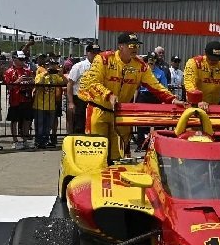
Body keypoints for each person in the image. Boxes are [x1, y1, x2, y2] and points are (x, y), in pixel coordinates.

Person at [78, 32, 185, 161]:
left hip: (121, 113)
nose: (135, 48)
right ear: (121, 46)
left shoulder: (140, 66)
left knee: (119, 155)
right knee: (96, 154)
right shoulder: (104, 59)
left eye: (136, 45)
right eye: (131, 45)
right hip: (98, 110)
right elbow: (93, 82)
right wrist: (108, 95)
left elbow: (155, 85)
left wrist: (172, 99)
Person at [184, 40, 220, 110]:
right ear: (205, 53)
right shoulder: (194, 63)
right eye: (211, 58)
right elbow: (189, 83)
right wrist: (197, 101)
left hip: (215, 105)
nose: (214, 61)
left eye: (217, 59)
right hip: (195, 104)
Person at [4, 51, 36, 148]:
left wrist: (31, 81)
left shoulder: (27, 71)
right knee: (14, 120)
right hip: (15, 99)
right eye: (21, 59)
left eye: (24, 59)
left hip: (26, 99)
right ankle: (15, 141)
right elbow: (8, 86)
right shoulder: (9, 71)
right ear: (14, 59)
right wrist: (18, 81)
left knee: (27, 120)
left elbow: (33, 82)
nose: (23, 61)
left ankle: (25, 140)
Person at [66, 43, 100, 135]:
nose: (95, 55)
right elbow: (70, 84)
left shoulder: (101, 67)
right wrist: (71, 102)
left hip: (95, 99)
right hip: (80, 99)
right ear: (87, 53)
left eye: (97, 53)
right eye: (93, 53)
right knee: (79, 124)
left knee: (94, 124)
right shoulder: (79, 66)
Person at [35, 58, 67, 148]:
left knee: (49, 125)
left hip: (51, 105)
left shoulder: (55, 76)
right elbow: (38, 86)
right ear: (46, 66)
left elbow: (66, 83)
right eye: (50, 64)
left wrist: (62, 75)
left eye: (54, 64)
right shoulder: (40, 75)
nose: (52, 66)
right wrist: (45, 74)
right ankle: (38, 141)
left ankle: (46, 140)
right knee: (40, 125)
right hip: (40, 105)